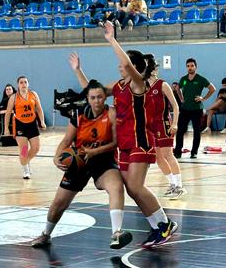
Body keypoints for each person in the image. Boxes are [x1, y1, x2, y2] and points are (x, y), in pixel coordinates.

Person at [70, 23, 178, 249]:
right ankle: (160, 225)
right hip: (125, 144)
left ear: (134, 67)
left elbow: (128, 64)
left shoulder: (139, 84)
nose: (120, 64)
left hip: (141, 141)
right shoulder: (118, 86)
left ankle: (164, 224)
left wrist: (111, 40)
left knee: (137, 187)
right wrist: (78, 70)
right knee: (131, 188)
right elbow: (93, 92)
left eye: (125, 62)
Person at [31, 80, 132, 249]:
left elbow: (115, 143)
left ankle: (116, 233)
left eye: (100, 97)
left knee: (116, 186)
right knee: (59, 203)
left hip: (103, 161)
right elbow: (66, 140)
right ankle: (46, 234)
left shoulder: (111, 114)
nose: (97, 101)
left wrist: (95, 152)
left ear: (104, 98)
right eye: (93, 97)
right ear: (88, 98)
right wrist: (56, 157)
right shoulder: (78, 115)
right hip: (79, 162)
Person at [144, 54, 186, 199]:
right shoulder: (142, 87)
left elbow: (175, 105)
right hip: (150, 126)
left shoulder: (162, 84)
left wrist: (174, 123)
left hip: (164, 123)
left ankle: (180, 186)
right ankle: (172, 184)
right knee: (158, 157)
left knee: (168, 154)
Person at [4, 76, 46, 179]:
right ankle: (25, 169)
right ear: (18, 85)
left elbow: (39, 109)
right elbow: (8, 113)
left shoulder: (33, 94)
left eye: (25, 82)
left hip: (32, 124)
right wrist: (6, 127)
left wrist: (42, 121)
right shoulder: (13, 97)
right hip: (20, 124)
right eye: (21, 82)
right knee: (24, 149)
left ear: (28, 84)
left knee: (36, 148)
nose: (23, 84)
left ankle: (25, 161)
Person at [174, 58, 216, 159]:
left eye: (192, 66)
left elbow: (212, 88)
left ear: (195, 67)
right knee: (180, 131)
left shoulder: (201, 79)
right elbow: (177, 88)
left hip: (197, 109)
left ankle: (194, 152)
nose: (190, 68)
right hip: (185, 109)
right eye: (188, 66)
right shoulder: (183, 79)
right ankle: (178, 151)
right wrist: (181, 98)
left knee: (196, 131)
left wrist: (203, 98)